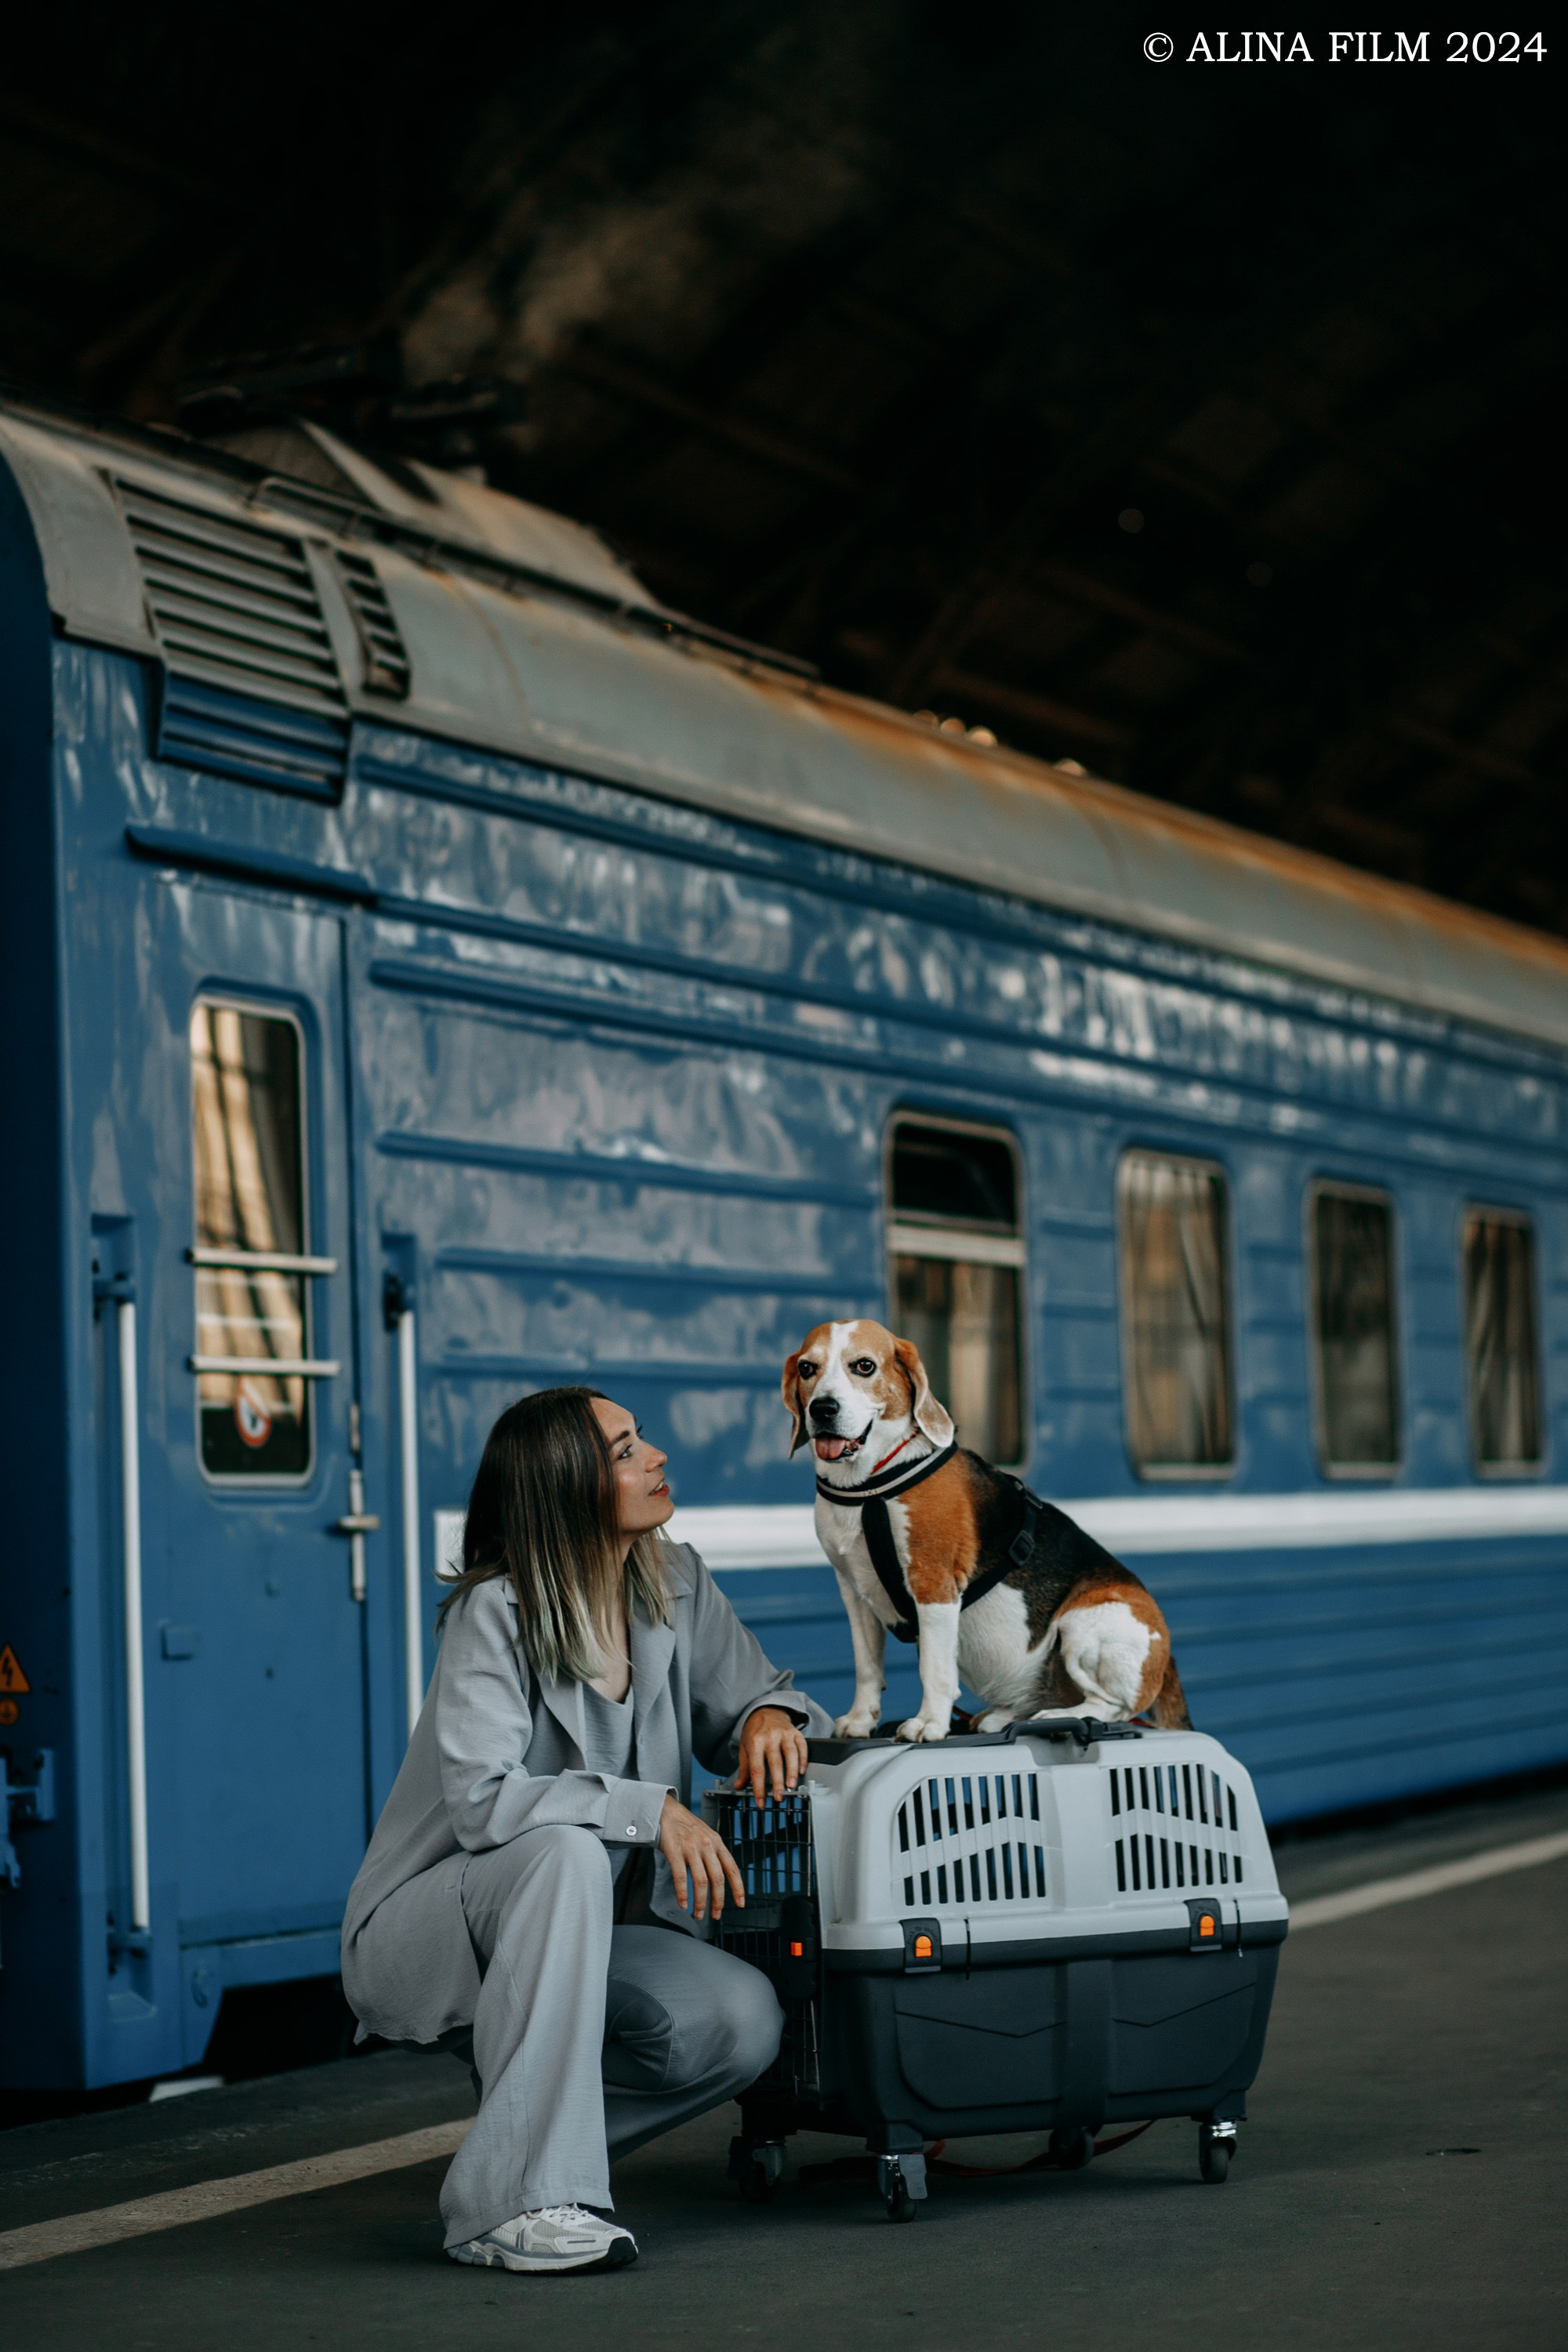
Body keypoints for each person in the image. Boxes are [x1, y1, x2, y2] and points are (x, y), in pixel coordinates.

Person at [341, 1385, 831, 2276]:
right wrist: (650, 1810)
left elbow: (756, 1696)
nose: (657, 1457)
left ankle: (517, 2160)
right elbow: (484, 1803)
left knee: (735, 2020)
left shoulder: (674, 1581)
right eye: (624, 1451)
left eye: (640, 1439)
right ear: (566, 1487)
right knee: (564, 1846)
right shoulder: (498, 1613)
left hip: (590, 1928)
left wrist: (769, 1717)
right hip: (443, 1919)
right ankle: (508, 2207)